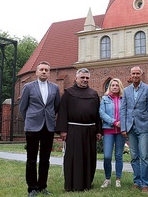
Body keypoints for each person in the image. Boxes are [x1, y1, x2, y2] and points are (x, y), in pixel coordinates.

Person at [55, 68, 102, 192]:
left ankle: (87, 183)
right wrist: (63, 130)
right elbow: (63, 112)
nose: (85, 80)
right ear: (76, 78)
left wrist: (98, 130)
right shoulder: (68, 93)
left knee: (89, 157)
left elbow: (98, 114)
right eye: (82, 77)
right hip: (73, 130)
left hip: (90, 130)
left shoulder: (93, 94)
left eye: (87, 78)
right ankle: (72, 184)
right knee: (73, 157)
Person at [19, 61, 61, 197]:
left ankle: (43, 186)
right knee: (31, 159)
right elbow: (22, 107)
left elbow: (56, 106)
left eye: (46, 70)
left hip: (48, 127)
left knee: (45, 159)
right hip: (32, 127)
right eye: (41, 69)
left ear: (49, 73)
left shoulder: (55, 88)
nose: (44, 72)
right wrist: (30, 120)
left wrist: (48, 117)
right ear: (36, 72)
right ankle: (32, 188)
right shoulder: (28, 87)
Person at [120, 66, 148, 193]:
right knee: (134, 156)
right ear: (130, 75)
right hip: (130, 127)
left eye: (137, 73)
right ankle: (136, 181)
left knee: (144, 156)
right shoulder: (126, 91)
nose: (135, 75)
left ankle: (145, 183)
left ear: (141, 74)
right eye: (133, 73)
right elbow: (123, 109)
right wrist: (123, 127)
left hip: (144, 126)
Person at [99, 78, 126, 188]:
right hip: (108, 130)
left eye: (117, 85)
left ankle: (118, 179)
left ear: (120, 87)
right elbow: (101, 113)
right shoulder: (105, 99)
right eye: (112, 85)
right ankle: (107, 178)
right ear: (109, 87)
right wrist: (114, 122)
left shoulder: (124, 99)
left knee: (119, 155)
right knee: (107, 156)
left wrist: (122, 123)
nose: (114, 87)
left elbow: (127, 112)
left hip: (120, 132)